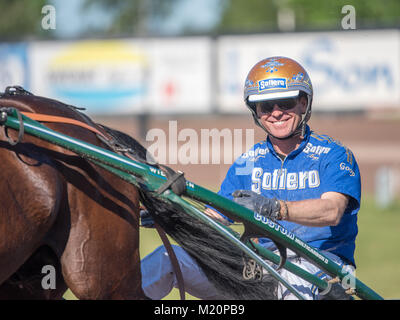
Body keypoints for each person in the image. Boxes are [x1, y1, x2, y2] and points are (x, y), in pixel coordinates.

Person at [141, 56, 361, 300]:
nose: (276, 113)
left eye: (285, 103)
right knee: (164, 260)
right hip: (255, 266)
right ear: (256, 111)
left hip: (317, 266)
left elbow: (332, 211)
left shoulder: (334, 155)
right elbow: (217, 218)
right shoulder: (248, 162)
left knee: (294, 288)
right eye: (265, 106)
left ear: (303, 103)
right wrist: (172, 215)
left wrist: (275, 208)